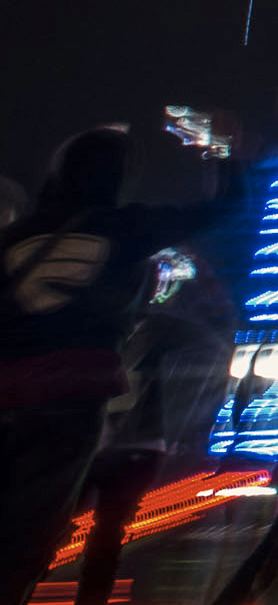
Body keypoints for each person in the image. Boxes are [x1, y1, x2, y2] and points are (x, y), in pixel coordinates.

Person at [0, 123, 245, 597]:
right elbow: (229, 208)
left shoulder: (16, 236)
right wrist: (221, 150)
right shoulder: (128, 227)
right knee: (30, 535)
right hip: (69, 399)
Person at [68, 256, 234, 605]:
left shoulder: (102, 323)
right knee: (102, 532)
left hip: (111, 441)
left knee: (70, 524)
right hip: (134, 445)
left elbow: (215, 337)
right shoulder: (160, 326)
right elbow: (216, 335)